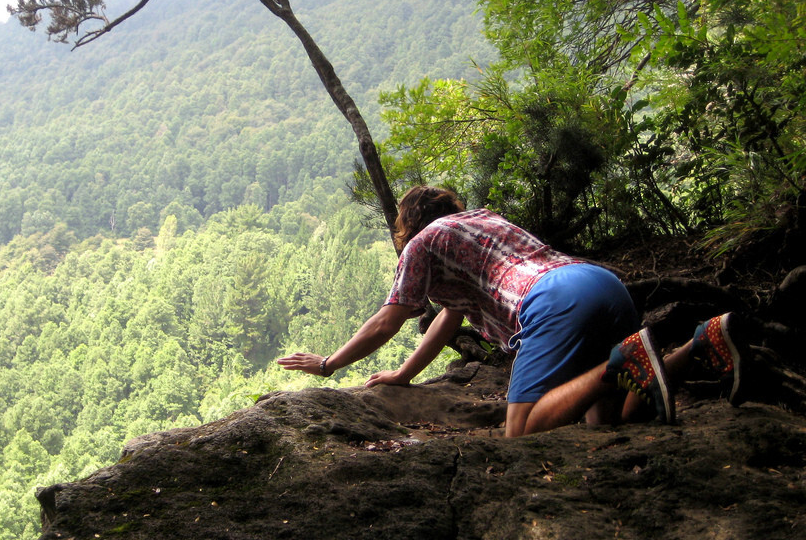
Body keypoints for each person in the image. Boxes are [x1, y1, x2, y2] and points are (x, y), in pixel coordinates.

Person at [277, 186, 745, 437]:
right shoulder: (480, 222)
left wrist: (328, 364)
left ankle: (621, 361)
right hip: (601, 283)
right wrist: (403, 372)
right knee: (608, 427)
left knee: (520, 430)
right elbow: (450, 317)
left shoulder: (423, 242)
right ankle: (701, 344)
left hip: (554, 303)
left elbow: (390, 318)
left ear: (408, 224)